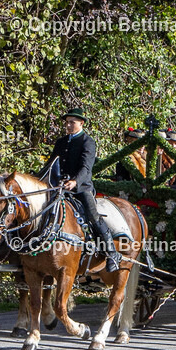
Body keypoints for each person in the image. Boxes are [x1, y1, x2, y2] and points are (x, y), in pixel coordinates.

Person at [43, 108, 122, 272]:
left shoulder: (88, 142)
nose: (69, 125)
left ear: (81, 123)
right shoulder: (61, 142)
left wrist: (75, 182)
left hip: (80, 188)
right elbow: (50, 164)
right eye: (67, 122)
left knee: (93, 214)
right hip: (59, 187)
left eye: (72, 122)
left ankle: (112, 253)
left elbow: (86, 168)